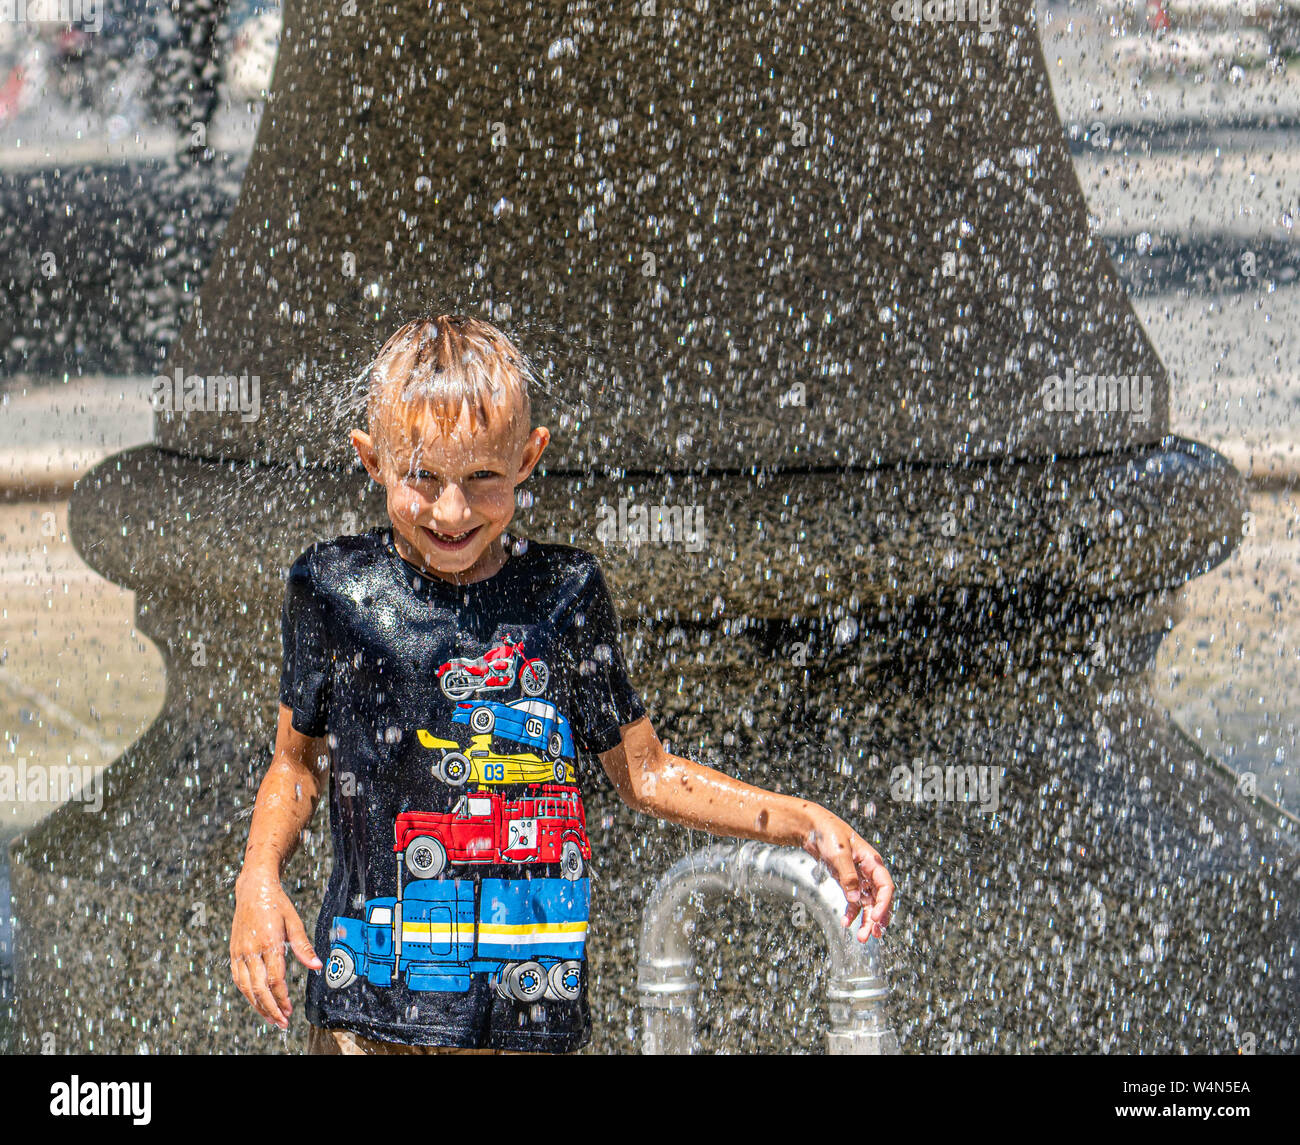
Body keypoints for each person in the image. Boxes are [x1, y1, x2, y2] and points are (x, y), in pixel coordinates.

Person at [230, 314, 894, 1054]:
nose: (452, 510)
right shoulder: (335, 588)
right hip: (369, 1027)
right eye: (423, 477)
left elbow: (646, 773)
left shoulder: (563, 594)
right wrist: (258, 875)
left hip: (526, 1025)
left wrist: (804, 820)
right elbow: (296, 763)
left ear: (528, 456)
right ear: (371, 459)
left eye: (483, 477)